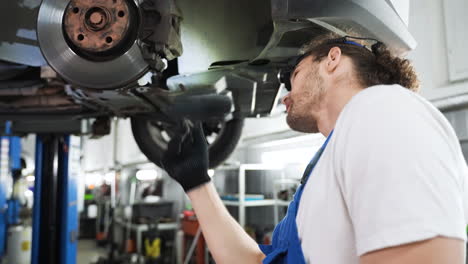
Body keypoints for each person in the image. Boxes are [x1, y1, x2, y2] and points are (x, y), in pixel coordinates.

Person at [161, 33, 468, 264]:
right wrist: (197, 182)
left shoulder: (384, 108)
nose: (285, 96)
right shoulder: (327, 165)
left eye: (293, 75)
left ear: (332, 60)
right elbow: (255, 261)